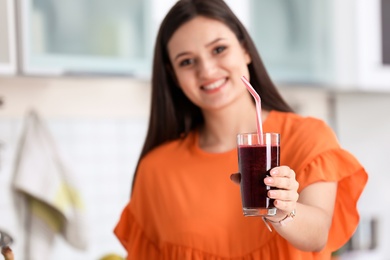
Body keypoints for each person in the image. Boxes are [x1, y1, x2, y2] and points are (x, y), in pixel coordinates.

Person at [114, 0, 368, 259]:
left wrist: (284, 211)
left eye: (219, 49)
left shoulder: (307, 137)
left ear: (245, 49)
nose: (207, 70)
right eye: (187, 61)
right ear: (174, 76)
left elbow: (317, 237)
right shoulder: (156, 169)